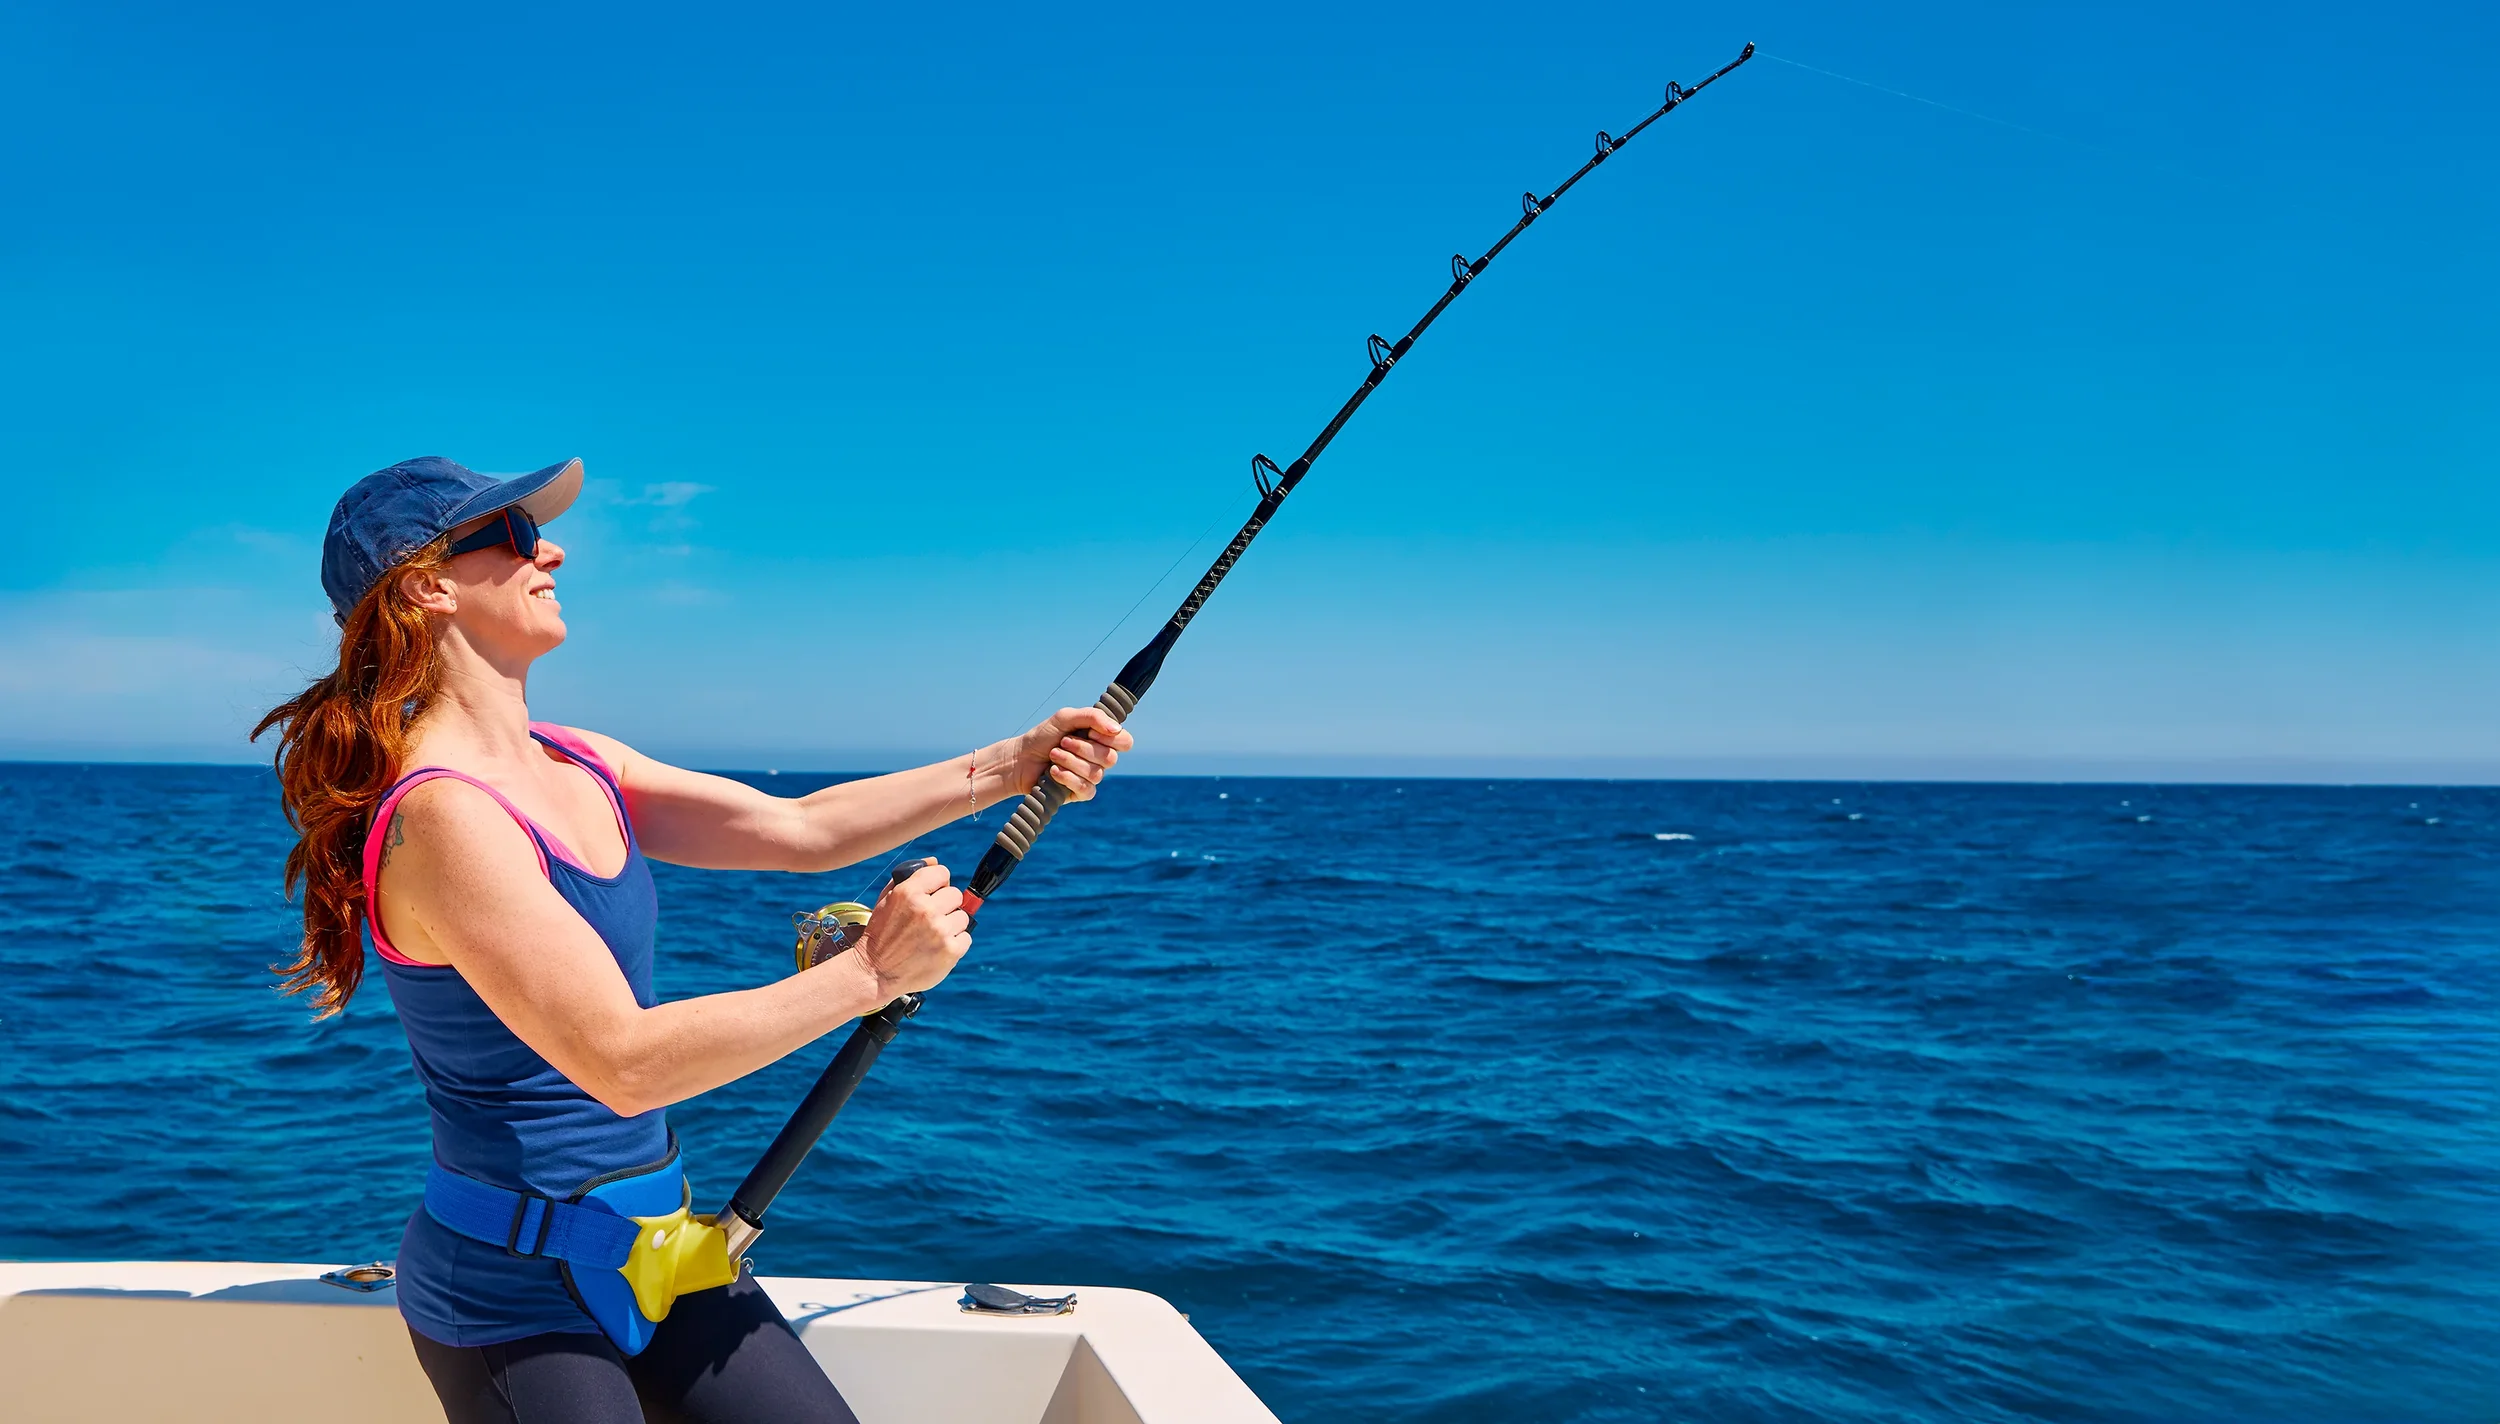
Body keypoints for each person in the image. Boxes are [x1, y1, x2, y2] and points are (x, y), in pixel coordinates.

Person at [253, 455, 1131, 1424]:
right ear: (427, 583)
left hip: (662, 1246)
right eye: (508, 535)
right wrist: (872, 972)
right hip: (512, 1291)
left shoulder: (579, 757)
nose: (551, 545)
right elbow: (621, 1062)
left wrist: (1015, 762)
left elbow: (800, 831)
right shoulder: (446, 815)